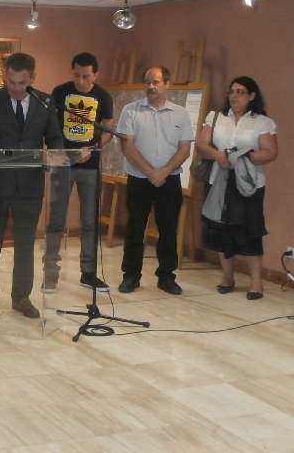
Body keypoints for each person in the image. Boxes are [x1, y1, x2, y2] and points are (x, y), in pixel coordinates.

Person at [0, 52, 63, 320]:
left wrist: (56, 155)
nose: (16, 88)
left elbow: (54, 138)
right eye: (11, 82)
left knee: (25, 245)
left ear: (32, 78)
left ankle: (21, 297)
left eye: (22, 83)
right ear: (5, 76)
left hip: (29, 187)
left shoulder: (45, 101)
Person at [196, 76, 277, 299]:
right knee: (222, 229)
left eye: (240, 92)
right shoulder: (216, 117)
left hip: (249, 184)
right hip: (218, 181)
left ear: (252, 96)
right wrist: (218, 155)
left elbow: (271, 152)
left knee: (250, 231)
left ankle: (256, 282)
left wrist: (242, 157)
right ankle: (227, 277)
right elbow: (201, 145)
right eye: (231, 91)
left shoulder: (262, 122)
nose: (234, 96)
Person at [116, 66, 193, 295]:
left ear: (167, 84)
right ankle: (131, 276)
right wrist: (151, 172)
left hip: (170, 180)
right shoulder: (130, 110)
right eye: (147, 82)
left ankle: (166, 277)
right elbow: (127, 147)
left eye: (156, 82)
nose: (151, 86)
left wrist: (164, 171)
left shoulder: (180, 113)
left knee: (168, 229)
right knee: (135, 228)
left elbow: (185, 148)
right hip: (139, 178)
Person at [44, 52, 113, 292]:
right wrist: (58, 151)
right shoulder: (60, 92)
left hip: (89, 167)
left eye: (86, 76)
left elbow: (108, 129)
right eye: (77, 76)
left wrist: (92, 149)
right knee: (56, 220)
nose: (81, 81)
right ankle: (50, 274)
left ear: (96, 74)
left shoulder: (104, 96)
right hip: (62, 164)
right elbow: (50, 125)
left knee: (89, 222)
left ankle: (89, 274)